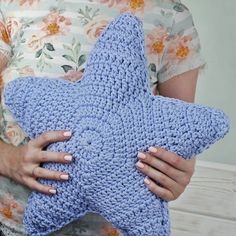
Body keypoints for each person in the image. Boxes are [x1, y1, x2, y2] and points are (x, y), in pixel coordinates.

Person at [0, 0, 205, 235]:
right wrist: (8, 159)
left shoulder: (170, 17)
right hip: (15, 225)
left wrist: (176, 177)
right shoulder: (13, 7)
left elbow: (181, 139)